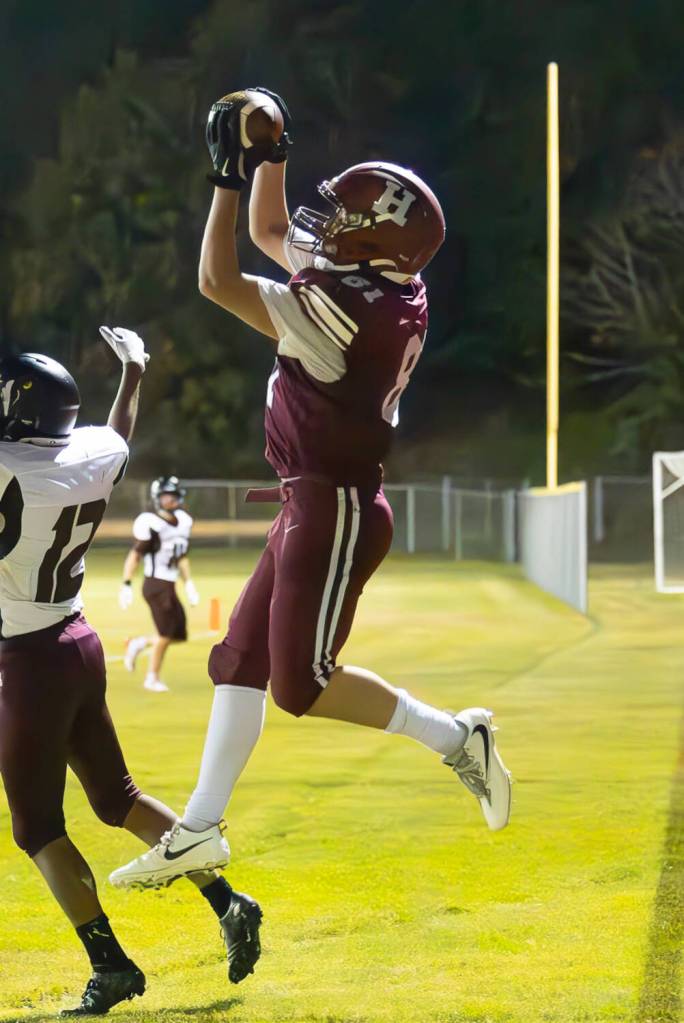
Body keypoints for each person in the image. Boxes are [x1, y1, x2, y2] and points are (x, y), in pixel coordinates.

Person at [110, 87, 511, 896]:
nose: (324, 228)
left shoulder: (345, 310)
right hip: (315, 498)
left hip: (336, 507)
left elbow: (218, 277)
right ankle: (199, 828)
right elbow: (273, 232)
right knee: (238, 660)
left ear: (370, 248)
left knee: (302, 684)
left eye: (344, 221)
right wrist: (274, 151)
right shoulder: (389, 282)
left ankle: (456, 737)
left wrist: (228, 174)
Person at [0, 330, 261, 1017]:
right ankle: (228, 902)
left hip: (28, 660)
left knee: (36, 828)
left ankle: (110, 965)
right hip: (78, 642)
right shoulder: (89, 456)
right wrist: (135, 373)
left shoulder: (9, 466)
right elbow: (116, 435)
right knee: (117, 798)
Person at [120, 476, 199, 693]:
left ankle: (139, 643)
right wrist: (126, 583)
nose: (171, 500)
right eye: (166, 496)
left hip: (169, 584)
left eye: (174, 496)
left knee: (178, 635)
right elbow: (135, 555)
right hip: (156, 584)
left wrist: (189, 584)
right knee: (165, 635)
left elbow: (181, 557)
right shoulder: (151, 523)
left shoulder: (184, 521)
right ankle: (151, 678)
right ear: (157, 498)